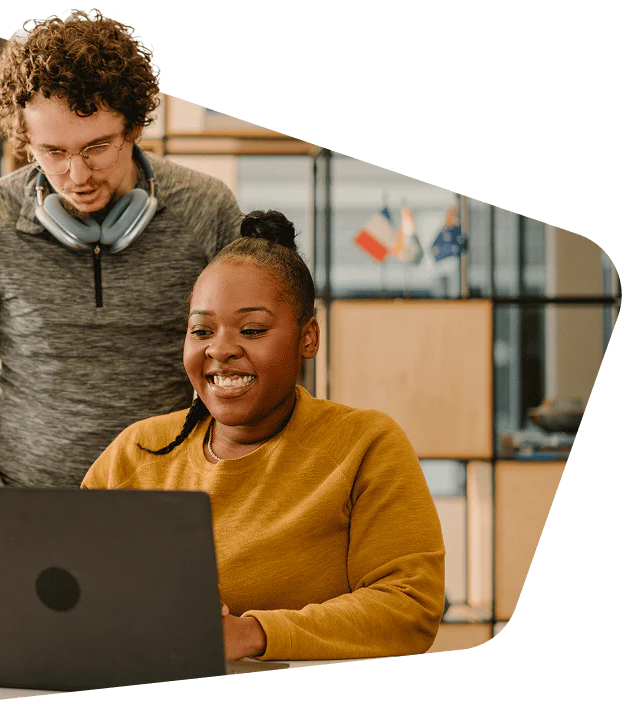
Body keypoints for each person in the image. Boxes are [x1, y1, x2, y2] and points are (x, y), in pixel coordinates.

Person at [82, 210, 446, 662]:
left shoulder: (366, 445)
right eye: (201, 330)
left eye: (252, 330)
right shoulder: (134, 451)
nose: (220, 349)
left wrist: (251, 633)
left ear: (307, 338)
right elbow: (70, 595)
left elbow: (409, 607)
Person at [0, 10, 243, 488]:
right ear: (26, 141)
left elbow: (254, 366)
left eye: (97, 147)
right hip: (24, 512)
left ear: (133, 126)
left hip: (171, 504)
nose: (77, 175)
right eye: (53, 153)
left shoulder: (206, 210)